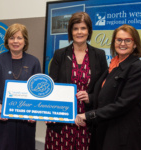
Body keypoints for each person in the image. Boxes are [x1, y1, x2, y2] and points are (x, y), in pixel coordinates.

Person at [75, 24, 141, 150]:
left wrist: (88, 115)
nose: (122, 43)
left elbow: (123, 104)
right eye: (119, 40)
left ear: (135, 44)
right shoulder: (113, 65)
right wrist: (90, 98)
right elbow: (105, 95)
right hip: (104, 128)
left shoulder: (138, 69)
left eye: (128, 40)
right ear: (114, 42)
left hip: (122, 135)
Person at [45, 12, 108, 150]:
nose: (79, 32)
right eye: (75, 28)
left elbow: (105, 89)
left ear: (89, 31)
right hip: (61, 120)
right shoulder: (59, 55)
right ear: (71, 31)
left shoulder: (99, 55)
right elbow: (52, 87)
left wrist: (90, 97)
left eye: (83, 28)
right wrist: (49, 113)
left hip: (86, 120)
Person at [0, 23, 41, 150]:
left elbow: (38, 92)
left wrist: (35, 112)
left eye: (19, 38)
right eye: (12, 38)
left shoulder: (34, 62)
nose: (15, 41)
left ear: (25, 40)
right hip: (2, 118)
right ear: (7, 40)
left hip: (26, 121)